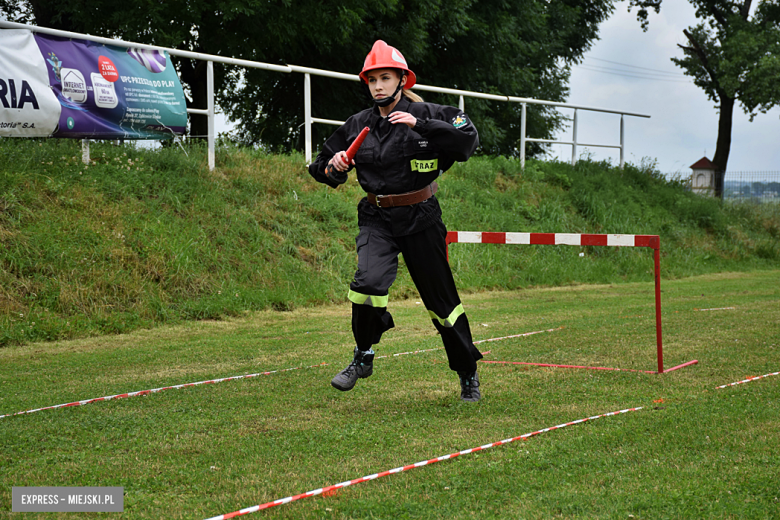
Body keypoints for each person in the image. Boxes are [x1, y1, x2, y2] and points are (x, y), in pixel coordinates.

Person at [308, 40, 483, 402]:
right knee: (367, 284)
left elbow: (468, 142)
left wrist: (422, 124)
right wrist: (334, 167)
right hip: (376, 217)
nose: (378, 86)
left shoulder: (433, 113)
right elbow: (320, 166)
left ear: (402, 79)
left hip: (421, 218)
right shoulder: (358, 124)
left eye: (385, 77)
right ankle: (363, 355)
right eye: (372, 79)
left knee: (443, 304)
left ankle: (467, 372)